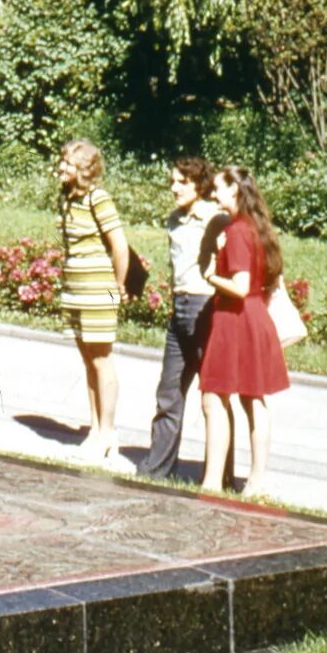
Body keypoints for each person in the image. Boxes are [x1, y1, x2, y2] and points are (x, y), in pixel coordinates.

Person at [198, 166, 293, 499]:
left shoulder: (237, 230)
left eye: (219, 189)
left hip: (234, 318)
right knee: (254, 398)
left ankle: (211, 481)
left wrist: (210, 275)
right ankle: (256, 480)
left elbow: (238, 287)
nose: (213, 194)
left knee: (214, 396)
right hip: (254, 316)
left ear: (235, 191)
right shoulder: (256, 227)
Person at [131, 155, 223, 480]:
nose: (174, 188)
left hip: (207, 308)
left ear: (199, 184)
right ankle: (158, 468)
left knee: (213, 396)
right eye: (172, 181)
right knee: (169, 391)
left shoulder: (216, 218)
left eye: (181, 183)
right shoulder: (174, 219)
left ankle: (218, 475)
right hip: (180, 306)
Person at [52, 139, 135, 468]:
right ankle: (96, 429)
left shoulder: (98, 198)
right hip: (75, 288)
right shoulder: (68, 199)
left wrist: (118, 285)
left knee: (101, 359)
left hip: (98, 288)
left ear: (84, 170)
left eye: (68, 164)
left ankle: (107, 431)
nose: (61, 169)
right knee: (88, 360)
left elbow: (119, 244)